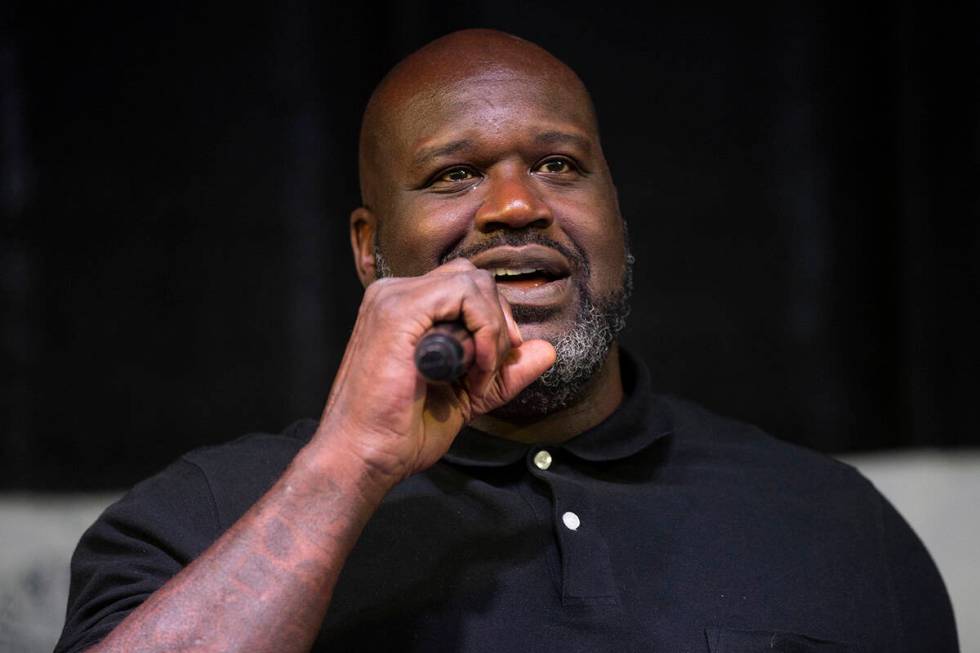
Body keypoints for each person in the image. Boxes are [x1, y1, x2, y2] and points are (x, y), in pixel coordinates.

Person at [55, 29, 957, 652]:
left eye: (561, 165)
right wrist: (347, 469)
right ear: (371, 249)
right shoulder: (198, 520)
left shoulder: (841, 527)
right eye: (454, 174)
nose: (519, 206)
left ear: (617, 215)